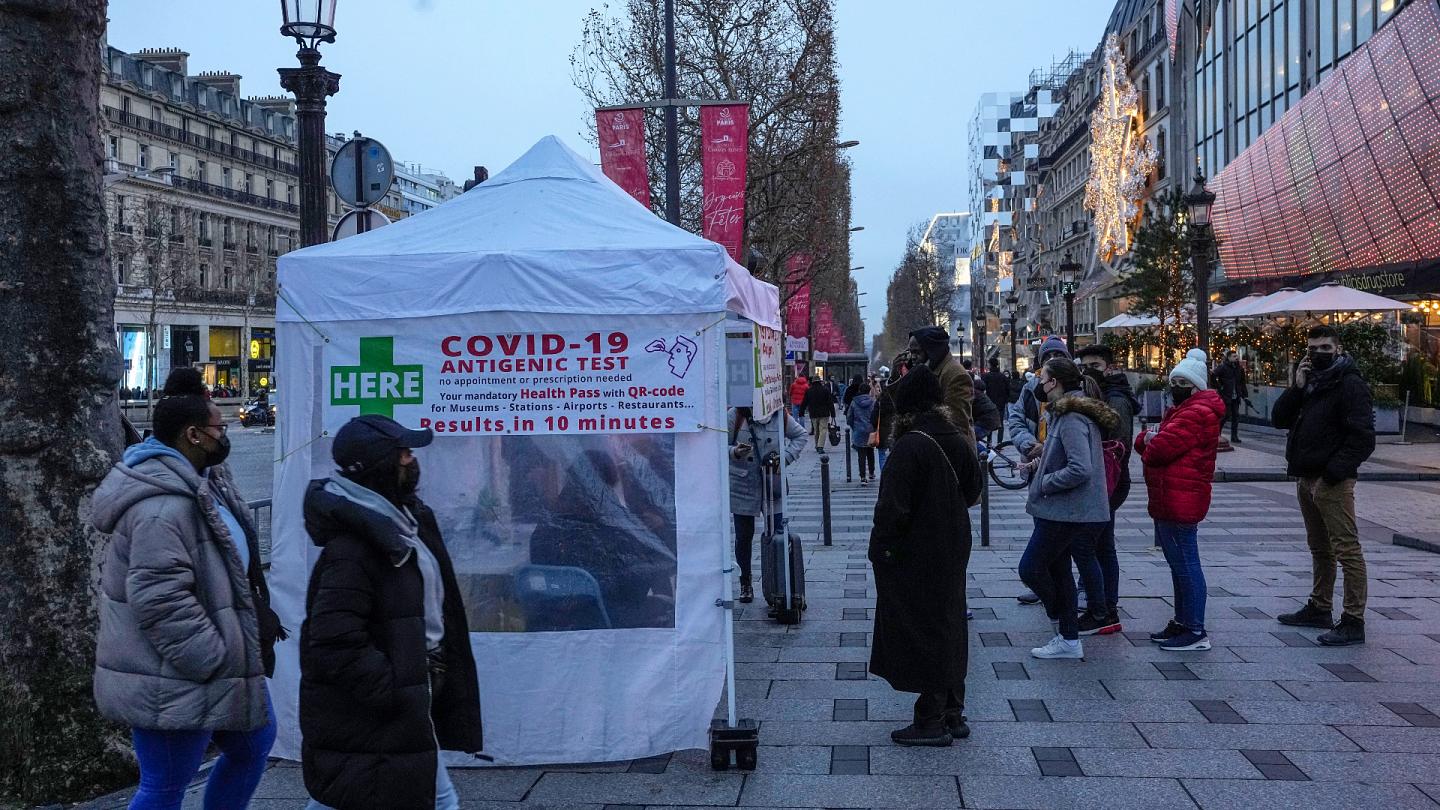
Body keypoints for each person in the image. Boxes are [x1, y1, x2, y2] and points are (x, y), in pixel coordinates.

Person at [91, 391, 275, 810]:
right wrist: (213, 658)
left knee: (253, 746)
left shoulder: (203, 484)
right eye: (219, 429)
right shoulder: (161, 508)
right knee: (165, 785)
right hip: (177, 675)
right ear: (193, 435)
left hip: (216, 669)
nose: (224, 435)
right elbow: (160, 600)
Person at [300, 415, 484, 809]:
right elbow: (333, 641)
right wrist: (397, 689)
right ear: (377, 464)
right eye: (402, 453)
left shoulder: (402, 521)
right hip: (381, 712)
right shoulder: (353, 548)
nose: (411, 460)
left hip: (400, 708)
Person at [868, 365, 982, 746]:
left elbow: (892, 508)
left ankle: (929, 718)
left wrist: (882, 550)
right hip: (953, 542)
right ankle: (953, 711)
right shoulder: (955, 436)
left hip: (917, 547)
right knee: (949, 621)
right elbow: (972, 490)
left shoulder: (910, 444)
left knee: (923, 626)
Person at [1271, 325, 1377, 646]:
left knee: (1347, 550)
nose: (1318, 354)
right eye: (1312, 348)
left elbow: (1363, 439)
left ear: (1338, 350)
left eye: (1325, 349)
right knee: (1320, 548)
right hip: (1306, 476)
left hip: (1332, 480)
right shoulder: (1311, 383)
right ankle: (1319, 607)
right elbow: (1278, 419)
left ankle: (1353, 620)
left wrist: (1332, 475)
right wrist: (1296, 386)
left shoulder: (1350, 384)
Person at [1016, 357, 1115, 660]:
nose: (1039, 385)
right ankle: (1069, 638)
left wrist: (1044, 482)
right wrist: (1034, 465)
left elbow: (1079, 468)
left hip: (1066, 510)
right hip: (1064, 509)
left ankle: (1059, 616)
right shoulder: (1067, 412)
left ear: (1055, 382)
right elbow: (1060, 455)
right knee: (1059, 570)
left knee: (1031, 568)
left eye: (1043, 379)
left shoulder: (1071, 417)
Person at [1135, 349, 1225, 651]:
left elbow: (1158, 449)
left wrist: (1150, 441)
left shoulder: (1196, 412)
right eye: (1173, 380)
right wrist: (1149, 440)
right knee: (1178, 564)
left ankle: (1195, 629)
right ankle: (1182, 621)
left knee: (1186, 563)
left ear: (1194, 386)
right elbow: (1148, 441)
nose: (1174, 387)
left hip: (1181, 498)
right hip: (1170, 496)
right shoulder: (1183, 410)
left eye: (1180, 383)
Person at [1074, 346, 1140, 635]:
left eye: (1096, 365)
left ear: (1110, 367)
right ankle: (1101, 606)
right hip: (1103, 481)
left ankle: (1104, 609)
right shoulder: (1100, 394)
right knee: (1101, 544)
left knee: (1096, 545)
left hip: (1110, 481)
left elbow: (1117, 446)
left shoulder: (1116, 399)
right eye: (1085, 365)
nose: (1090, 370)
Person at [1006, 336, 1074, 606]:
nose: (1051, 361)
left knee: (1068, 540)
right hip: (1037, 463)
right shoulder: (1031, 387)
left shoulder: (1073, 391)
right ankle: (1046, 584)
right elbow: (1016, 418)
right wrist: (1027, 443)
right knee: (1042, 528)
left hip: (1062, 467)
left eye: (1057, 355)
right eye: (1047, 357)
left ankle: (1070, 593)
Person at [729, 407, 808, 601]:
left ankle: (780, 582)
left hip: (772, 483)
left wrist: (785, 458)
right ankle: (745, 582)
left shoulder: (779, 414)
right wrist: (735, 452)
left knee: (778, 533)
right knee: (743, 536)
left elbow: (801, 435)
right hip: (743, 484)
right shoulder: (736, 415)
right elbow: (718, 445)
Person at [908, 327, 975, 453]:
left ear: (931, 351)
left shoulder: (955, 375)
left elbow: (956, 422)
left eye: (917, 352)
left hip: (951, 453)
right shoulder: (927, 371)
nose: (912, 357)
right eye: (910, 352)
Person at [1213, 349, 1250, 443]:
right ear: (1228, 358)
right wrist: (1219, 387)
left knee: (1235, 416)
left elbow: (1242, 382)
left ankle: (1234, 436)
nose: (1236, 358)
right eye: (1234, 356)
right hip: (1226, 395)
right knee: (1225, 415)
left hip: (1236, 396)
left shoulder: (1239, 369)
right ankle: (1217, 434)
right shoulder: (1223, 367)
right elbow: (1213, 375)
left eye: (1236, 356)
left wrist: (1244, 395)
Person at [847, 383, 879, 483]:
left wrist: (854, 426)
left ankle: (862, 476)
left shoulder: (854, 402)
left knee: (861, 453)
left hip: (859, 430)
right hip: (870, 430)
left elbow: (849, 417)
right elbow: (876, 415)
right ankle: (871, 472)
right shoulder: (873, 402)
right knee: (870, 452)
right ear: (869, 391)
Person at [801, 375, 837, 452]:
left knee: (816, 430)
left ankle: (817, 445)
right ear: (820, 381)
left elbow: (804, 402)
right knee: (823, 430)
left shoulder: (809, 391)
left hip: (813, 413)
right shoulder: (825, 390)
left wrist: (801, 412)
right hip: (824, 413)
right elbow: (830, 402)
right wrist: (833, 413)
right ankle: (820, 446)